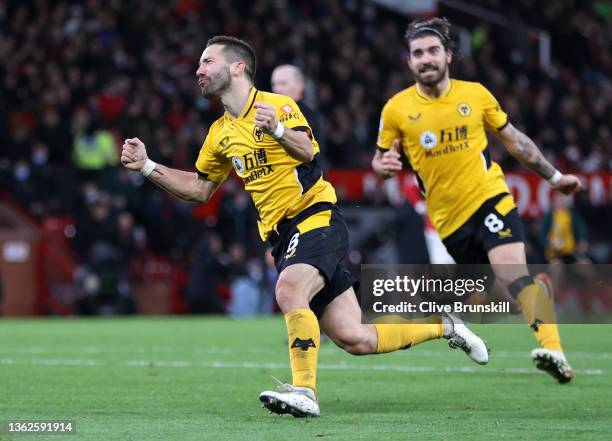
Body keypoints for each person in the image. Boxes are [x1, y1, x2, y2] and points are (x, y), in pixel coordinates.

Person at [121, 35, 489, 418]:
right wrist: (148, 166)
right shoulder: (220, 133)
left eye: (207, 61)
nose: (198, 70)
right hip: (283, 238)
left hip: (316, 217)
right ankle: (444, 325)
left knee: (289, 287)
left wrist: (278, 130)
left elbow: (309, 150)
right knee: (354, 337)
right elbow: (199, 189)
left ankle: (304, 391)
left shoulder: (277, 105)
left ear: (236, 67)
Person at [372, 18, 582, 384]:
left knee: (512, 274)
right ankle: (542, 290)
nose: (426, 59)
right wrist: (384, 167)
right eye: (418, 53)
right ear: (409, 62)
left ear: (448, 55)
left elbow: (515, 141)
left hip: (489, 199)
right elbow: (379, 160)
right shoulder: (396, 109)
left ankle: (555, 353)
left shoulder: (475, 95)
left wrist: (553, 177)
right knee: (505, 298)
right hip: (449, 222)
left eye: (433, 51)